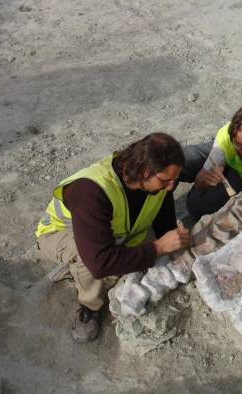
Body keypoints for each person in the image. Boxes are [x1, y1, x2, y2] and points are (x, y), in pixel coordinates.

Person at [35, 133, 190, 343]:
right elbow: (100, 263)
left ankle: (90, 268)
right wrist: (159, 247)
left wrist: (173, 243)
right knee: (90, 263)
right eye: (165, 180)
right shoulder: (92, 191)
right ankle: (89, 306)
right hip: (60, 232)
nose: (171, 186)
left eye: (174, 180)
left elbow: (164, 223)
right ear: (145, 171)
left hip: (115, 233)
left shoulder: (158, 182)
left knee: (139, 253)